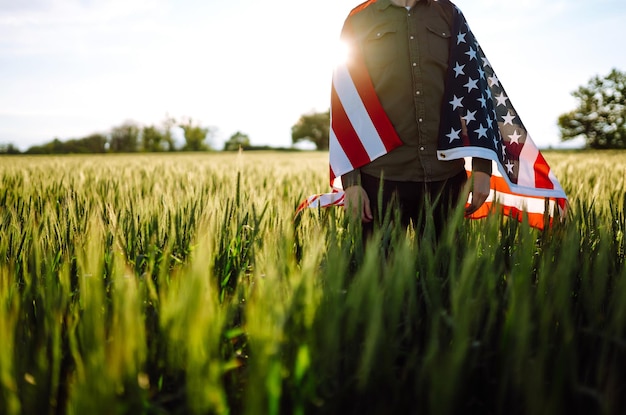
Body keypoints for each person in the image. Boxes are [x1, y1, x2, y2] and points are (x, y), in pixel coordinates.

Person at [337, 0, 492, 237]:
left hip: (446, 176)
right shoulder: (359, 18)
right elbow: (346, 101)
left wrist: (482, 168)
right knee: (380, 273)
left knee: (446, 272)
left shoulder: (449, 14)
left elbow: (474, 89)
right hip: (380, 178)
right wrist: (352, 182)